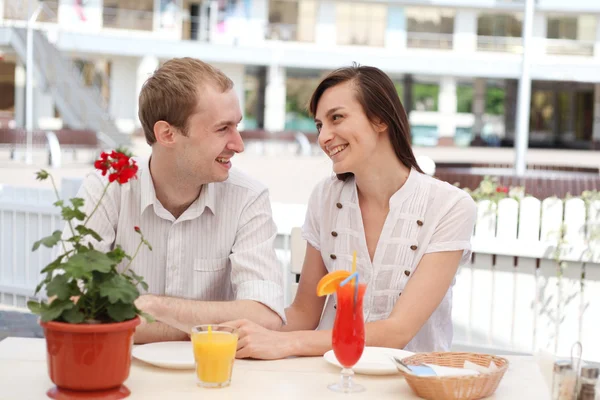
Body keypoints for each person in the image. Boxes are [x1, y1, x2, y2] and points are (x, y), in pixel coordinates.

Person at [225, 65, 477, 359]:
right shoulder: (325, 197)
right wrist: (239, 330)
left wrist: (288, 344)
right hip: (330, 377)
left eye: (337, 118)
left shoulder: (450, 207)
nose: (323, 137)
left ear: (380, 118)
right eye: (320, 125)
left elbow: (398, 332)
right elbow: (305, 313)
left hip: (413, 383)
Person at [74, 57, 285, 343]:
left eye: (237, 126)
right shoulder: (107, 188)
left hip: (216, 379)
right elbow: (72, 305)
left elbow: (266, 317)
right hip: (122, 372)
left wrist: (155, 307)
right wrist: (209, 327)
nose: (239, 144)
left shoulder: (248, 197)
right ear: (167, 134)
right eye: (223, 128)